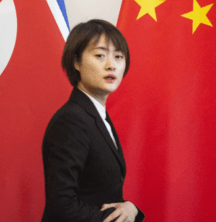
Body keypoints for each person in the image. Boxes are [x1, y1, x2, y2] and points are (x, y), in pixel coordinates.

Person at [41, 19, 145, 222]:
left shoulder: (95, 114)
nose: (111, 65)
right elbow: (62, 206)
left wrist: (131, 209)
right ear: (76, 62)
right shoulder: (71, 119)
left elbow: (102, 195)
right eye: (100, 55)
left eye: (118, 56)